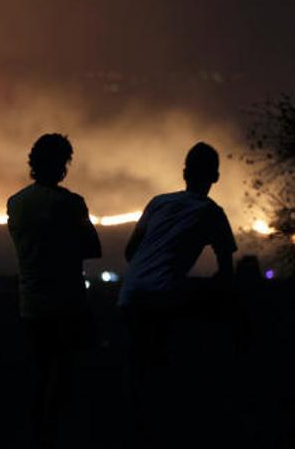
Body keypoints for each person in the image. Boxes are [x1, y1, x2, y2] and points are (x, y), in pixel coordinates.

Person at [117, 142, 237, 441]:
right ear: (216, 177)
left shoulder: (158, 202)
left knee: (136, 366)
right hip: (164, 295)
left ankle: (134, 428)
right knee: (163, 365)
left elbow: (130, 251)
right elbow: (227, 271)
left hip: (130, 293)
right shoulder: (212, 212)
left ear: (184, 173)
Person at [6, 133, 101, 449]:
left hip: (30, 302)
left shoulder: (15, 203)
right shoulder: (71, 204)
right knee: (65, 372)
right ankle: (54, 434)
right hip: (67, 302)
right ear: (63, 165)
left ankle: (35, 433)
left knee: (39, 371)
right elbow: (93, 247)